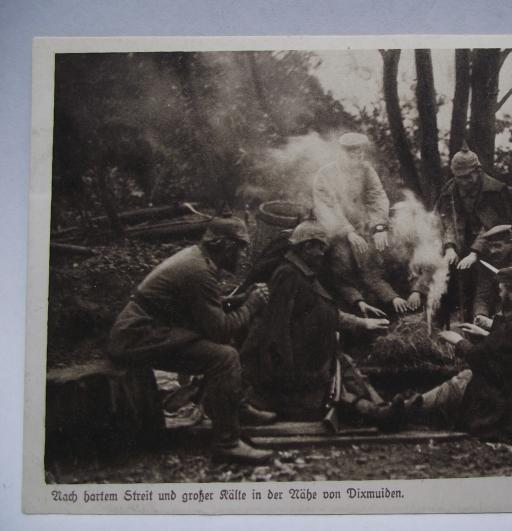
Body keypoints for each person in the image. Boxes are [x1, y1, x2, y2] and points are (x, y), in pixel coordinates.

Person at [108, 216, 277, 463]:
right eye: (240, 250)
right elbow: (220, 329)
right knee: (224, 356)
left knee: (223, 350)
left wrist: (240, 300)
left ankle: (235, 408)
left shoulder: (198, 260)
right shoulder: (197, 271)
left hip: (151, 330)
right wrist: (251, 306)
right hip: (136, 337)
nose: (242, 258)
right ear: (226, 246)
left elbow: (207, 307)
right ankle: (227, 443)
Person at [240, 221, 406, 428]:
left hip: (315, 352)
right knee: (334, 388)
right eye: (320, 247)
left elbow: (323, 313)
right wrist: (289, 372)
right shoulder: (288, 275)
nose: (322, 253)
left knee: (347, 371)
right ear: (307, 247)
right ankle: (377, 413)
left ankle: (383, 408)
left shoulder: (304, 275)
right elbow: (277, 328)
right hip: (297, 364)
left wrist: (363, 323)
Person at [410, 267, 512, 444]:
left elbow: (485, 359)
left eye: (501, 290)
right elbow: (509, 345)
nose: (499, 294)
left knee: (464, 380)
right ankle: (410, 407)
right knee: (463, 380)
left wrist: (458, 341)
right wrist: (486, 333)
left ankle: (407, 410)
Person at [313, 132, 410, 316]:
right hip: (332, 229)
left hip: (361, 225)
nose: (356, 158)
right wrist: (348, 232)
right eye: (351, 154)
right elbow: (327, 208)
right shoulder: (325, 174)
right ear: (341, 153)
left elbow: (377, 197)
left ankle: (385, 302)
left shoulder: (366, 170)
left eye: (359, 154)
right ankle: (348, 308)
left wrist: (379, 227)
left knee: (380, 253)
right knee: (341, 258)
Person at [434, 144, 512, 321]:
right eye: (458, 178)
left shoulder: (495, 191)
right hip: (462, 241)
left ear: (478, 171)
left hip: (494, 243)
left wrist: (475, 252)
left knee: (487, 282)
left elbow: (493, 226)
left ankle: (487, 320)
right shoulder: (449, 191)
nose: (463, 182)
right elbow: (448, 221)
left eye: (467, 177)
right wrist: (450, 246)